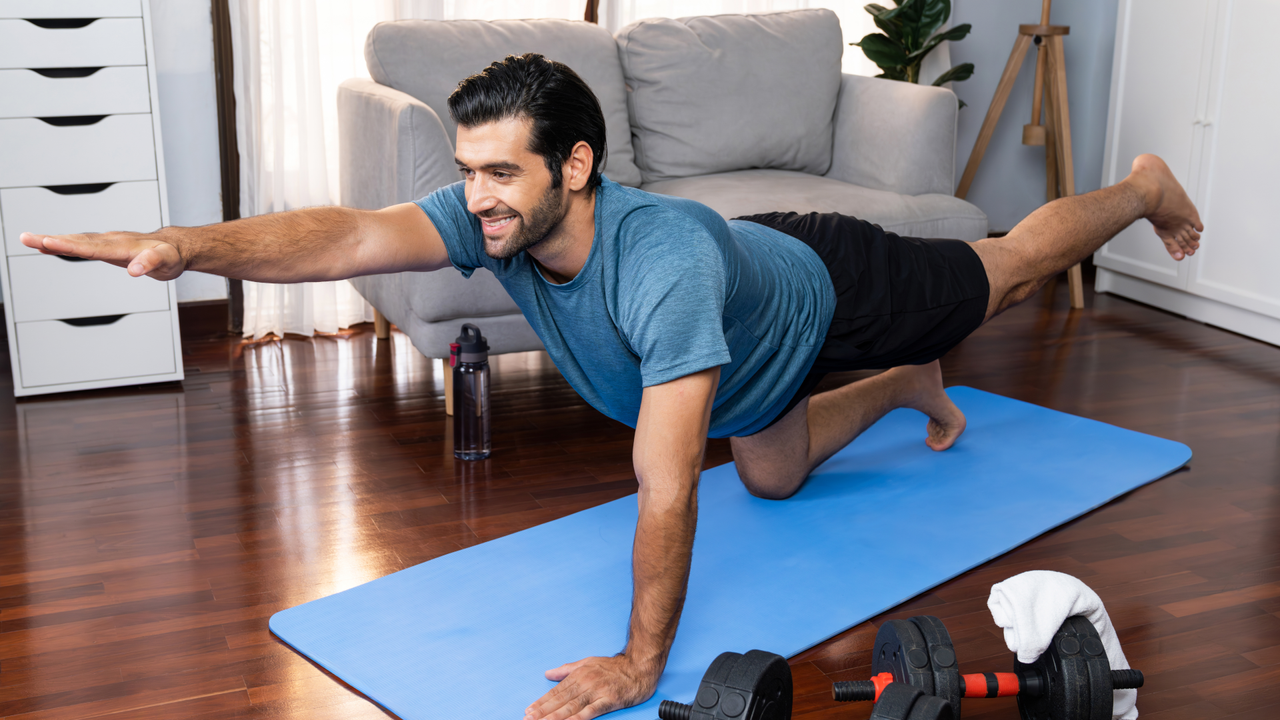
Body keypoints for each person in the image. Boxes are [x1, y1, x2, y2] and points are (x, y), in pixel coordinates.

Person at [21, 53, 1202, 720]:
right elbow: (336, 241)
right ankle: (901, 391)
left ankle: (1139, 187)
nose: (474, 197)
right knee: (777, 476)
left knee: (1004, 269)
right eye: (466, 171)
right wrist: (185, 243)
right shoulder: (487, 222)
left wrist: (641, 666)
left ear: (574, 168)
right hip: (753, 343)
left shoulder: (661, 268)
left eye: (500, 173)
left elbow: (664, 489)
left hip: (826, 288)